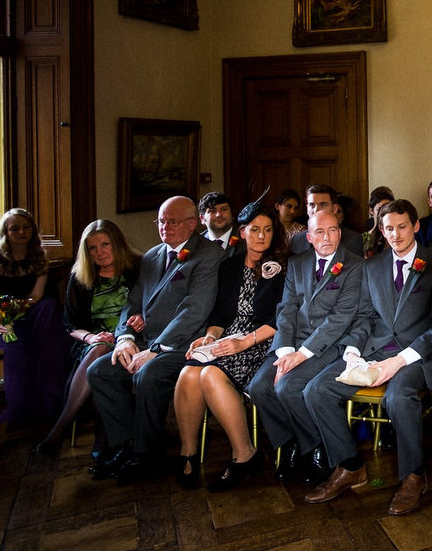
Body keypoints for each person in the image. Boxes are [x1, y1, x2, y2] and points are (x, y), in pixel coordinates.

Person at [304, 199, 432, 512]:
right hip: (376, 351)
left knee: (397, 398)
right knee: (316, 390)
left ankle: (414, 475)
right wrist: (353, 353)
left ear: (415, 225)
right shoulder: (371, 266)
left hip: (419, 354)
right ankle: (350, 466)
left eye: (402, 227)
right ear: (381, 230)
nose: (396, 235)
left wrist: (399, 361)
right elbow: (364, 318)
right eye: (388, 228)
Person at [88, 196, 222, 485]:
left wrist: (157, 348)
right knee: (99, 371)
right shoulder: (151, 256)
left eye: (172, 222)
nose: (164, 227)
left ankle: (144, 454)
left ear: (191, 223)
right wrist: (125, 338)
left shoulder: (208, 254)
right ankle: (126, 444)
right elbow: (132, 303)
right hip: (145, 342)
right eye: (161, 221)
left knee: (148, 374)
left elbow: (194, 310)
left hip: (186, 345)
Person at [172, 203, 286, 492]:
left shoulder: (284, 267)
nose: (262, 236)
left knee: (210, 375)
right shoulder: (229, 266)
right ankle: (188, 453)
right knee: (188, 374)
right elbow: (221, 317)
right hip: (228, 339)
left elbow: (281, 318)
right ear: (243, 232)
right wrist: (210, 338)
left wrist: (243, 341)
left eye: (268, 230)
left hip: (262, 340)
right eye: (255, 230)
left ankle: (244, 453)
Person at [247, 209, 363, 489]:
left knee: (286, 388)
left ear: (340, 232)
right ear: (309, 237)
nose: (328, 237)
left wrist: (301, 354)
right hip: (293, 343)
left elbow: (340, 319)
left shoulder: (355, 266)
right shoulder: (298, 264)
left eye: (333, 230)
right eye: (320, 232)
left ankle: (318, 448)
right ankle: (290, 443)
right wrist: (285, 350)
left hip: (327, 346)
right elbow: (286, 309)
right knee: (259, 387)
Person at [34, 220, 142, 455]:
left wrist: (139, 321)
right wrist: (91, 337)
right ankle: (100, 436)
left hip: (134, 339)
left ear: (117, 244)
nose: (99, 252)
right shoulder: (81, 276)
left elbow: (155, 304)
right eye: (92, 248)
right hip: (91, 342)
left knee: (101, 359)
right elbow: (70, 325)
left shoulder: (139, 268)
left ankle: (66, 430)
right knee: (100, 351)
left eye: (105, 245)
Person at [0, 208, 69, 428]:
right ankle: (23, 411)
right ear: (5, 232)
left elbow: (36, 296)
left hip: (22, 314)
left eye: (26, 226)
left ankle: (53, 404)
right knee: (17, 339)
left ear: (33, 229)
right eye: (15, 228)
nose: (21, 231)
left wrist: (16, 309)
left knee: (50, 310)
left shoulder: (39, 256)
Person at [288, 184, 364, 257]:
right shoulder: (297, 240)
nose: (316, 210)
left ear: (335, 209)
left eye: (323, 205)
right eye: (312, 205)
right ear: (307, 209)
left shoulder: (353, 240)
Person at [199, 191, 239, 256]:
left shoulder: (245, 239)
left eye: (224, 209)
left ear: (232, 214)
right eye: (212, 211)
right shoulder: (195, 244)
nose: (219, 215)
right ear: (202, 219)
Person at [363, 186, 395, 258]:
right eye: (379, 209)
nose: (384, 213)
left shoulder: (395, 235)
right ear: (371, 211)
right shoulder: (363, 238)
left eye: (388, 208)